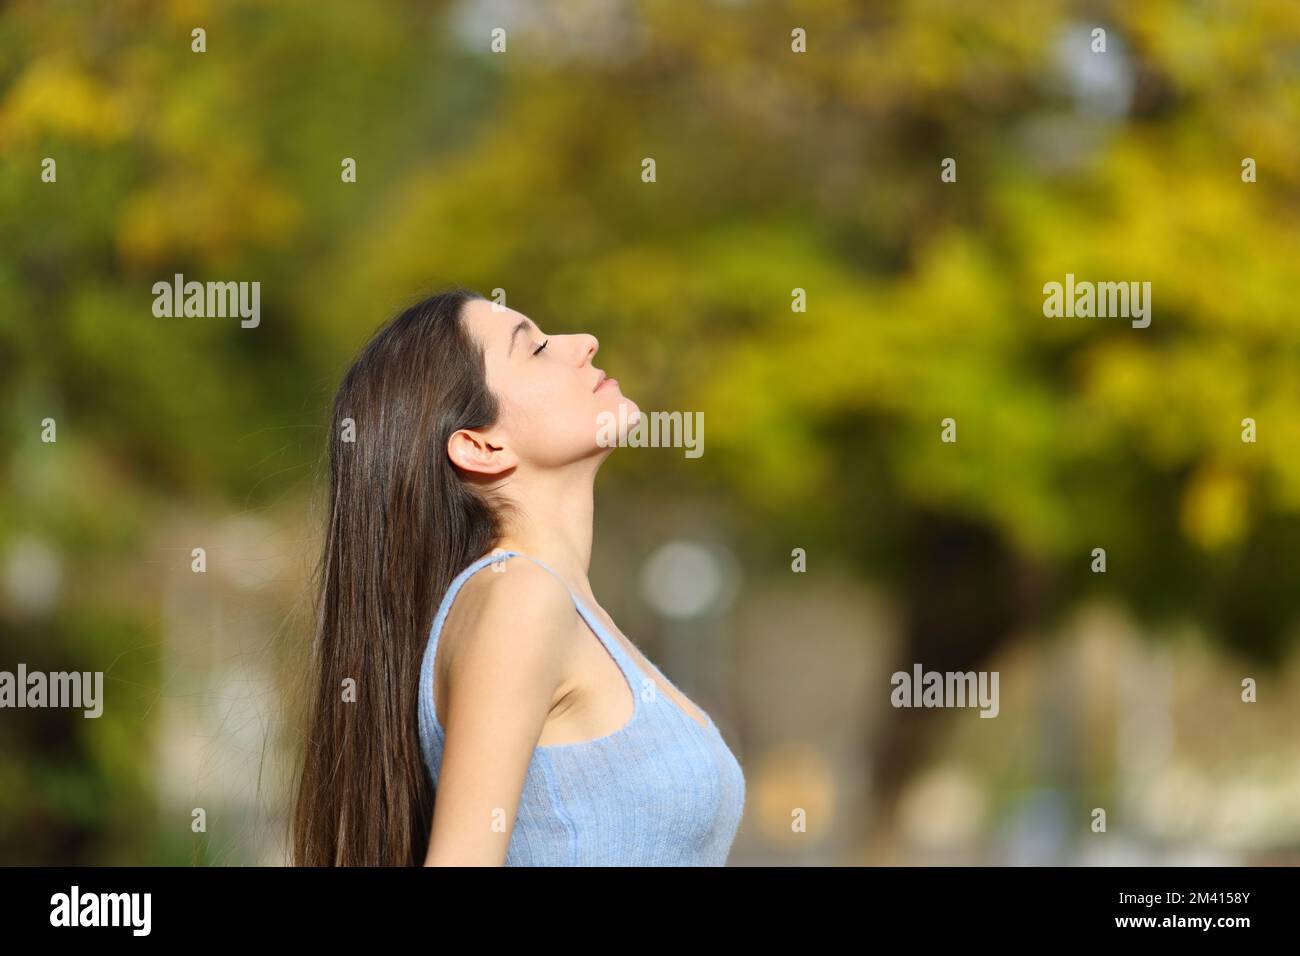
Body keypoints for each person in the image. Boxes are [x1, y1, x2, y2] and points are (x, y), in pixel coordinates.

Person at [291, 287, 745, 866]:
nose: (584, 344)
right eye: (534, 349)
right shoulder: (519, 598)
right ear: (482, 445)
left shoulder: (560, 606)